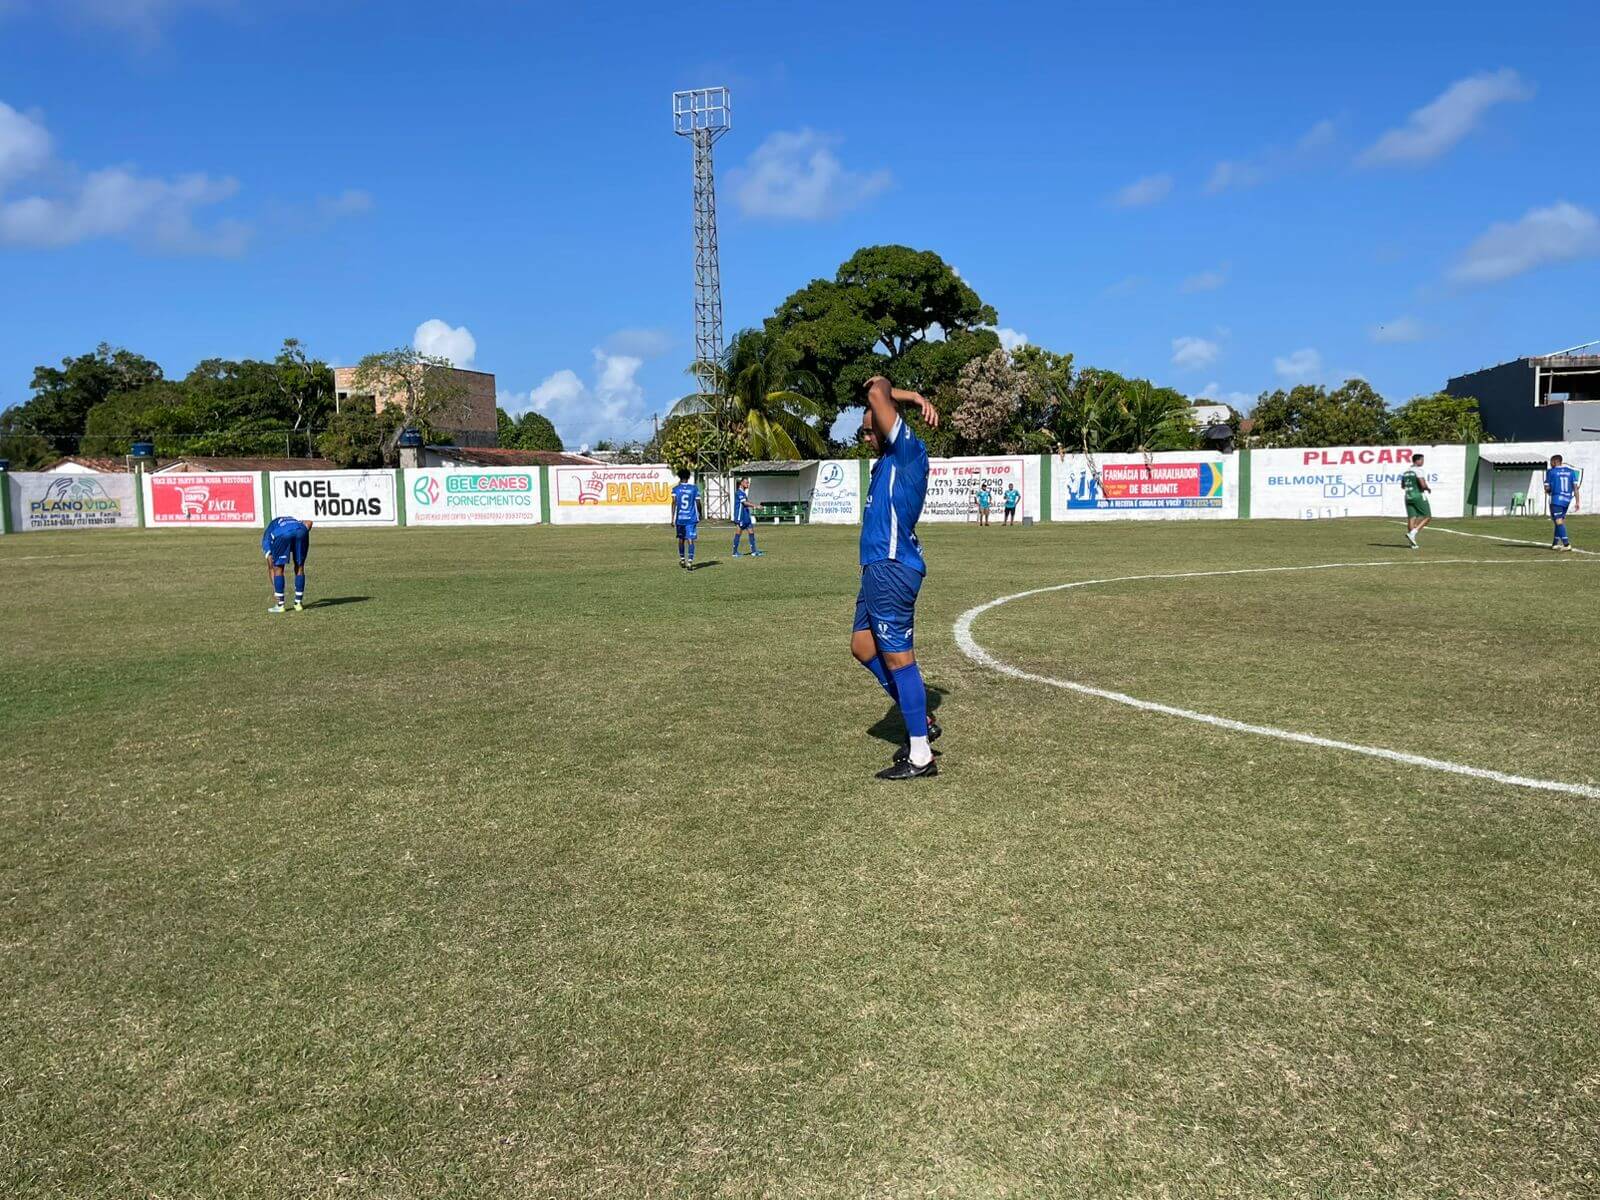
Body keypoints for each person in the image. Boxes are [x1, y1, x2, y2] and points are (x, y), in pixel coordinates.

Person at [850, 376, 942, 780]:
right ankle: (919, 716)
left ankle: (921, 754)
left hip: (892, 568)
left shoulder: (907, 452)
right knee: (862, 647)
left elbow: (876, 387)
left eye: (871, 430)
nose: (867, 438)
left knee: (900, 659)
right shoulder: (884, 463)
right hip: (876, 568)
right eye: (863, 432)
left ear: (890, 423)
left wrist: (913, 396)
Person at [261, 515, 312, 613]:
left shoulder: (266, 540)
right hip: (301, 530)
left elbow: (271, 566)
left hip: (281, 534)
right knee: (300, 566)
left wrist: (276, 591)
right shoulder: (294, 521)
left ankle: (280, 605)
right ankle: (298, 603)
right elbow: (309, 523)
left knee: (278, 568)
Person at [1545, 454, 1581, 551]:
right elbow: (1575, 488)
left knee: (1558, 521)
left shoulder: (1550, 472)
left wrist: (1548, 490)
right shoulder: (1571, 471)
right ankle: (1555, 544)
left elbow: (1547, 488)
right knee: (1559, 520)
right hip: (1567, 500)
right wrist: (1577, 502)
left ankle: (1566, 544)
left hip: (1556, 499)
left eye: (1551, 462)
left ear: (1554, 462)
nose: (1550, 464)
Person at [671, 468, 701, 569]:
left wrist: (672, 518)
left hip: (680, 518)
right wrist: (699, 513)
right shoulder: (694, 488)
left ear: (680, 477)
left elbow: (674, 503)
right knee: (690, 539)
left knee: (681, 539)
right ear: (688, 478)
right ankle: (690, 562)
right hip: (691, 518)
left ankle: (682, 559)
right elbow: (698, 502)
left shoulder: (676, 489)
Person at [1401, 453, 1431, 549]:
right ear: (1417, 461)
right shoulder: (1418, 470)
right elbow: (1422, 485)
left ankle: (1412, 543)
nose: (1422, 462)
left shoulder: (1406, 472)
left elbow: (1402, 486)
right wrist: (1427, 488)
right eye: (1422, 460)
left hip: (1408, 496)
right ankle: (1413, 533)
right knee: (1428, 516)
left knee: (1411, 518)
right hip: (1418, 495)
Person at [732, 476, 763, 557]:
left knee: (751, 532)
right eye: (746, 482)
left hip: (746, 515)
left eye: (748, 482)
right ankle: (734, 552)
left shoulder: (743, 493)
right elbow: (744, 503)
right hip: (740, 516)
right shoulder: (738, 492)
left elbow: (746, 502)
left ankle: (754, 551)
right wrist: (755, 506)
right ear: (741, 483)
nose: (748, 484)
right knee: (738, 533)